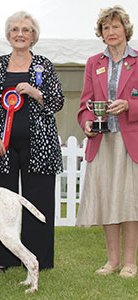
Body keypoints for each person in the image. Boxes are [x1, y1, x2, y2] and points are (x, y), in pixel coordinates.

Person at [0, 11, 64, 272]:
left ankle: (39, 259)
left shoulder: (44, 65)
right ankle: (3, 259)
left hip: (40, 147)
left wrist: (36, 92)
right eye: (15, 29)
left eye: (26, 30)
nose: (20, 34)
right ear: (8, 35)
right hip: (0, 148)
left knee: (38, 202)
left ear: (33, 36)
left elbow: (58, 101)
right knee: (1, 204)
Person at [77, 5, 138, 278]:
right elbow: (84, 104)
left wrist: (129, 106)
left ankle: (129, 263)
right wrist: (87, 122)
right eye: (106, 27)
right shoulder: (93, 63)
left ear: (126, 29)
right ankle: (112, 262)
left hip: (130, 143)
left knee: (128, 202)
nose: (111, 32)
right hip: (101, 142)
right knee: (107, 202)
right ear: (100, 33)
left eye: (115, 26)